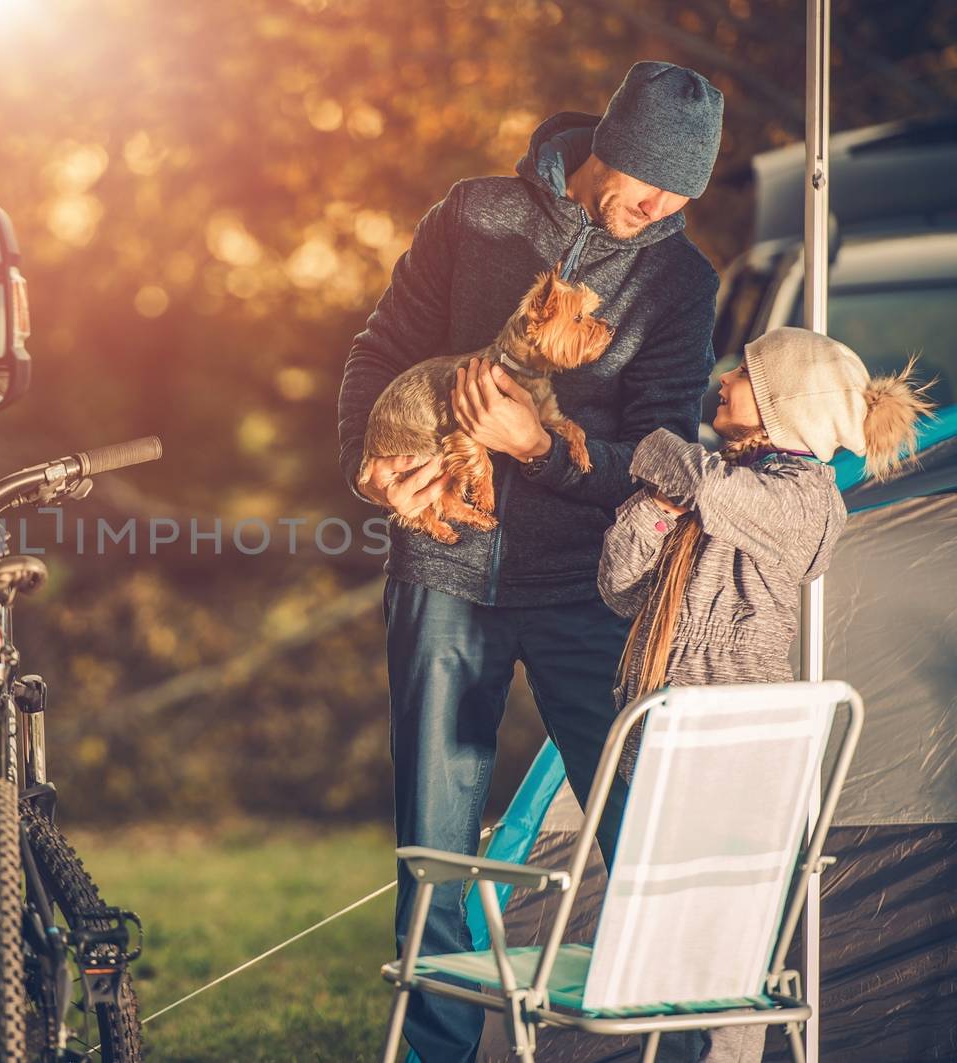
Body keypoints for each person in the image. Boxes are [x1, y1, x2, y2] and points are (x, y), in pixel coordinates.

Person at [337, 61, 725, 1062]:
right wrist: (371, 462)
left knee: (637, 826)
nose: (658, 210)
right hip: (442, 574)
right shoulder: (473, 218)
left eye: (681, 197)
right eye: (647, 187)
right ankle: (434, 1051)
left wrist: (534, 447)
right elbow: (379, 351)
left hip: (586, 592)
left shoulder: (679, 281)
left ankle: (670, 1046)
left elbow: (662, 463)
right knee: (435, 853)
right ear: (609, 149)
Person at [598, 327, 932, 1062]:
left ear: (786, 404)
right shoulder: (712, 484)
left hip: (734, 727)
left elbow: (717, 492)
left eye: (745, 374)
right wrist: (655, 509)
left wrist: (656, 449)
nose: (724, 378)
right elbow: (619, 586)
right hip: (662, 725)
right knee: (673, 937)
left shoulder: (802, 499)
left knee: (729, 931)